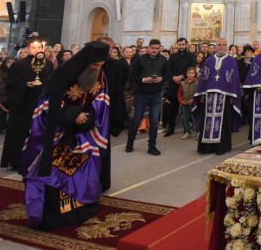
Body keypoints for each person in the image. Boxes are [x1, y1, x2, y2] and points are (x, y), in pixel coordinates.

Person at [19, 42, 111, 231]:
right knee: (52, 173)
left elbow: (101, 102)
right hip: (57, 134)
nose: (97, 69)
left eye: (101, 65)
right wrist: (72, 115)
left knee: (86, 168)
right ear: (86, 61)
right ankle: (53, 216)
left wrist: (87, 116)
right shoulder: (63, 73)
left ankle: (80, 208)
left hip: (85, 133)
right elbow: (46, 104)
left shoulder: (101, 75)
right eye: (95, 65)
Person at [1, 39, 54, 170]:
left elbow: (52, 81)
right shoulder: (18, 65)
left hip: (41, 103)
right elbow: (10, 84)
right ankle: (17, 160)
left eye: (39, 47)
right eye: (33, 48)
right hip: (23, 104)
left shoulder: (47, 64)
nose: (36, 50)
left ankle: (39, 159)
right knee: (21, 132)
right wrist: (25, 85)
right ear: (27, 49)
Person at [195, 38, 242, 154]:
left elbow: (234, 79)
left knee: (223, 121)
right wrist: (202, 93)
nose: (221, 47)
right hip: (209, 95)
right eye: (219, 45)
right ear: (216, 46)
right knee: (207, 120)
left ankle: (221, 147)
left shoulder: (231, 60)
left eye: (224, 45)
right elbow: (204, 78)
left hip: (225, 96)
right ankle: (206, 146)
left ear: (226, 46)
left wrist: (233, 96)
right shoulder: (209, 60)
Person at [127, 39, 172, 155]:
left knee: (154, 121)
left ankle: (152, 146)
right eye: (153, 48)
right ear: (148, 48)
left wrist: (161, 79)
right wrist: (143, 80)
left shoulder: (163, 59)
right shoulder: (139, 59)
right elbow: (132, 76)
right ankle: (130, 143)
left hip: (156, 93)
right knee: (137, 119)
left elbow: (168, 74)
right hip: (141, 94)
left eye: (157, 49)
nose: (155, 50)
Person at [95, 37, 127, 191]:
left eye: (109, 47)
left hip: (105, 111)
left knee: (102, 147)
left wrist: (116, 115)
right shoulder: (86, 63)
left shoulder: (115, 65)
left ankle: (102, 182)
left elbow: (117, 90)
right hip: (87, 111)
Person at [164, 38, 195, 138]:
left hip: (187, 85)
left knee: (186, 109)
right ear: (177, 45)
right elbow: (168, 69)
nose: (181, 46)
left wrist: (182, 76)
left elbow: (192, 68)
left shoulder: (191, 56)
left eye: (183, 44)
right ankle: (171, 128)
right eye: (179, 45)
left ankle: (187, 130)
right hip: (174, 85)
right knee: (173, 108)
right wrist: (174, 77)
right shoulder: (173, 56)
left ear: (186, 45)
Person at [179, 67, 198, 140]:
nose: (190, 74)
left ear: (194, 74)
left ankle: (198, 131)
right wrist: (181, 101)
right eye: (189, 73)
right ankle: (187, 132)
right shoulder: (183, 83)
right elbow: (179, 94)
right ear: (186, 74)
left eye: (192, 73)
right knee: (185, 118)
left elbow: (198, 93)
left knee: (194, 118)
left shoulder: (197, 82)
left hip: (193, 103)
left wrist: (193, 99)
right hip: (184, 103)